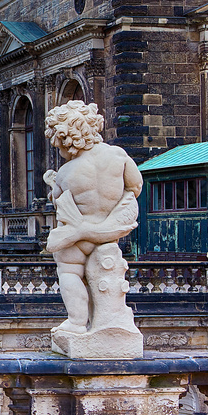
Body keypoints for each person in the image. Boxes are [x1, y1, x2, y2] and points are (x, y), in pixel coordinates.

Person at [43, 101, 142, 335]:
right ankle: (101, 320)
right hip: (108, 233)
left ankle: (77, 322)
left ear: (68, 140)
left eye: (59, 146)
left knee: (69, 272)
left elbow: (59, 202)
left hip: (79, 239)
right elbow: (135, 186)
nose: (60, 151)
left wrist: (52, 186)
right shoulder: (119, 156)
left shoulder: (67, 172)